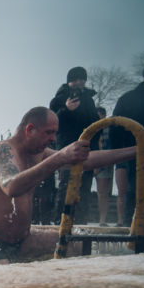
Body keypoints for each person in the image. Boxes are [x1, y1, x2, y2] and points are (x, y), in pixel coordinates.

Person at [0, 107, 144, 267]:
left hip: (21, 240)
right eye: (49, 132)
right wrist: (60, 157)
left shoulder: (39, 154)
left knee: (79, 245)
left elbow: (86, 160)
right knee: (10, 285)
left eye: (55, 133)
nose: (53, 139)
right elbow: (11, 186)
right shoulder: (2, 150)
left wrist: (141, 150)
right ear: (30, 129)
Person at [110, 59, 144, 227]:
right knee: (136, 186)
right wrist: (119, 152)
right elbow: (115, 125)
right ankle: (130, 224)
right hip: (136, 149)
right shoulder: (129, 98)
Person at [50, 66, 99, 225]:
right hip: (66, 146)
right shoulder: (58, 99)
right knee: (66, 184)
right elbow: (53, 124)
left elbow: (95, 125)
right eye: (75, 80)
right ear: (69, 81)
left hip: (87, 147)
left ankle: (82, 222)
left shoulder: (89, 100)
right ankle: (60, 222)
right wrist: (66, 110)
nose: (79, 83)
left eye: (81, 79)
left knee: (84, 186)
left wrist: (97, 151)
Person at [93, 107, 114, 226]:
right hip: (88, 160)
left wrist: (102, 164)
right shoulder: (89, 127)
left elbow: (109, 146)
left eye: (102, 114)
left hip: (104, 162)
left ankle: (102, 220)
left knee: (102, 193)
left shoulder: (108, 129)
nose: (100, 116)